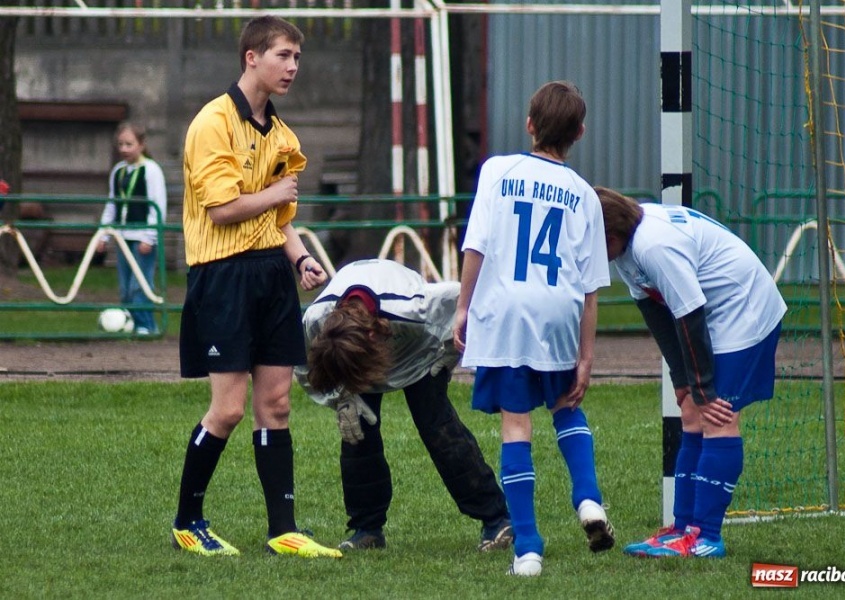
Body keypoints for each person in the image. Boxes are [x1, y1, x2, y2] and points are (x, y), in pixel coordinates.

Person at [171, 15, 340, 559]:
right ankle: (188, 520)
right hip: (223, 275)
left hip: (270, 274)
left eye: (296, 57)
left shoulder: (283, 136)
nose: (292, 67)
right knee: (228, 410)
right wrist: (275, 194)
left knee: (276, 404)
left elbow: (279, 218)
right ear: (252, 57)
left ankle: (283, 530)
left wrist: (300, 259)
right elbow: (221, 210)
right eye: (283, 55)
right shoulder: (213, 123)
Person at [453, 81, 616, 577]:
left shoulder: (497, 170)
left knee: (515, 424)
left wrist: (462, 308)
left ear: (529, 124)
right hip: (559, 310)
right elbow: (590, 287)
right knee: (567, 404)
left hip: (506, 311)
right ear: (580, 133)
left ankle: (527, 546)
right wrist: (585, 356)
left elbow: (476, 245)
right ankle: (587, 498)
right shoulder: (585, 195)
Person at [596, 187, 787, 559]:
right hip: (711, 313)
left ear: (610, 236)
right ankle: (681, 529)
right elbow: (658, 317)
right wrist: (683, 381)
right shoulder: (626, 247)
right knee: (690, 412)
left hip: (743, 309)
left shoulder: (654, 246)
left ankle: (707, 537)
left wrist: (702, 386)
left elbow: (689, 314)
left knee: (718, 415)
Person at [295, 258, 514, 552]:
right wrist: (339, 400)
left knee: (438, 428)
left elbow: (467, 302)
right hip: (355, 361)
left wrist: (446, 358)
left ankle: (497, 519)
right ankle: (367, 529)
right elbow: (305, 369)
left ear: (374, 336)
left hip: (421, 355)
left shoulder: (416, 306)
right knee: (357, 432)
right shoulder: (316, 323)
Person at [96, 122, 168, 335]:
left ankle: (146, 325)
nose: (124, 149)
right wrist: (104, 233)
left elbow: (158, 205)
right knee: (126, 285)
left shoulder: (151, 170)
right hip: (122, 236)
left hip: (142, 237)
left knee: (141, 282)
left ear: (141, 145)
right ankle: (130, 322)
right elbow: (112, 204)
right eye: (121, 144)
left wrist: (150, 236)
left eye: (129, 144)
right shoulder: (118, 171)